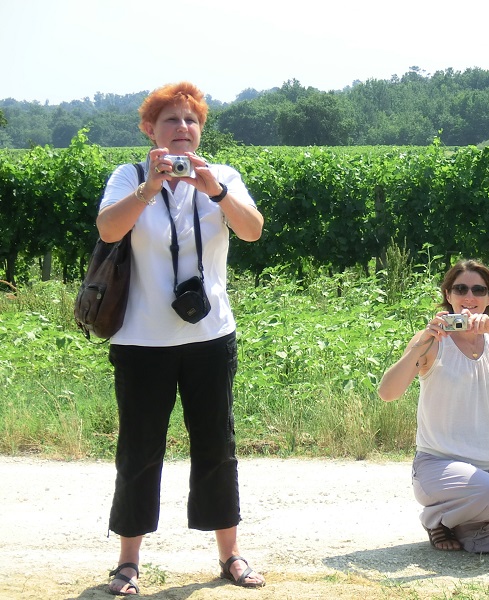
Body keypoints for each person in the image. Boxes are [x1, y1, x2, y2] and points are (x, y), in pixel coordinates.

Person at [97, 82, 265, 594]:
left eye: (191, 120)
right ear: (150, 129)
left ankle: (230, 554)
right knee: (139, 449)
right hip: (141, 340)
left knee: (217, 446)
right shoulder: (129, 177)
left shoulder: (222, 175)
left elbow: (253, 230)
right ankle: (128, 562)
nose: (183, 129)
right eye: (171, 120)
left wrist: (215, 190)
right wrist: (149, 188)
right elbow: (108, 230)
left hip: (210, 336)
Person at [378, 259, 489, 553]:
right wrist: (422, 341)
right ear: (448, 295)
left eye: (478, 290)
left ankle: (461, 526)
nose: (469, 297)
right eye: (460, 289)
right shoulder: (432, 342)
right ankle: (436, 518)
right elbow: (388, 392)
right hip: (438, 465)